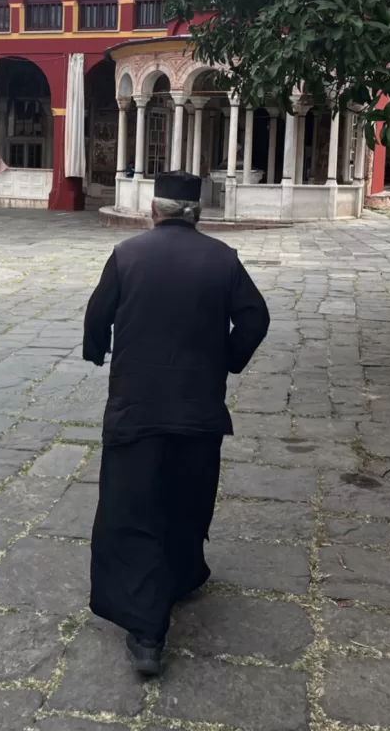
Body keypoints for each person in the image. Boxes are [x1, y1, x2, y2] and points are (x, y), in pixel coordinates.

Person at [83, 170, 270, 675]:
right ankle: (183, 575)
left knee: (133, 511)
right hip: (198, 412)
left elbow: (97, 317)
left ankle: (147, 633)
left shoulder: (126, 256)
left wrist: (96, 351)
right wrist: (226, 360)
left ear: (153, 211)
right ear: (198, 215)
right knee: (186, 503)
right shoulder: (223, 260)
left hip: (135, 411)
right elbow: (256, 319)